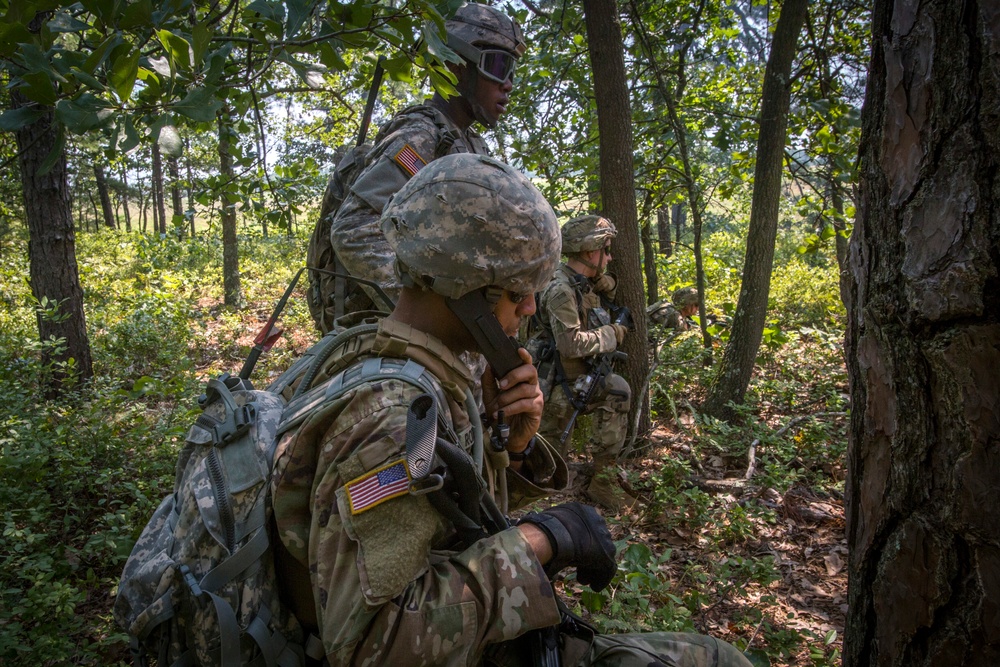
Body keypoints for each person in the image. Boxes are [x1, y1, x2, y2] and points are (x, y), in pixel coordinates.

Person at [272, 154, 753, 667]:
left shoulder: (405, 358)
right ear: (464, 289)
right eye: (519, 292)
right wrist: (541, 539)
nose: (528, 309)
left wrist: (513, 447)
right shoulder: (390, 418)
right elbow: (375, 646)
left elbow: (450, 513)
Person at [310, 2, 526, 326]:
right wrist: (430, 314)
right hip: (390, 334)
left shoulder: (468, 144)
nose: (507, 83)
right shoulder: (422, 137)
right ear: (455, 64)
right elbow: (354, 229)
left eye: (511, 71)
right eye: (497, 65)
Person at [534, 216, 636, 512]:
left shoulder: (581, 282)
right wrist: (612, 334)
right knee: (547, 471)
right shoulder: (561, 290)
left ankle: (603, 481)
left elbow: (595, 297)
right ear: (591, 253)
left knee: (618, 390)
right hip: (557, 387)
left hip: (578, 382)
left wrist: (607, 282)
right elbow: (570, 343)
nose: (610, 256)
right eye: (606, 250)